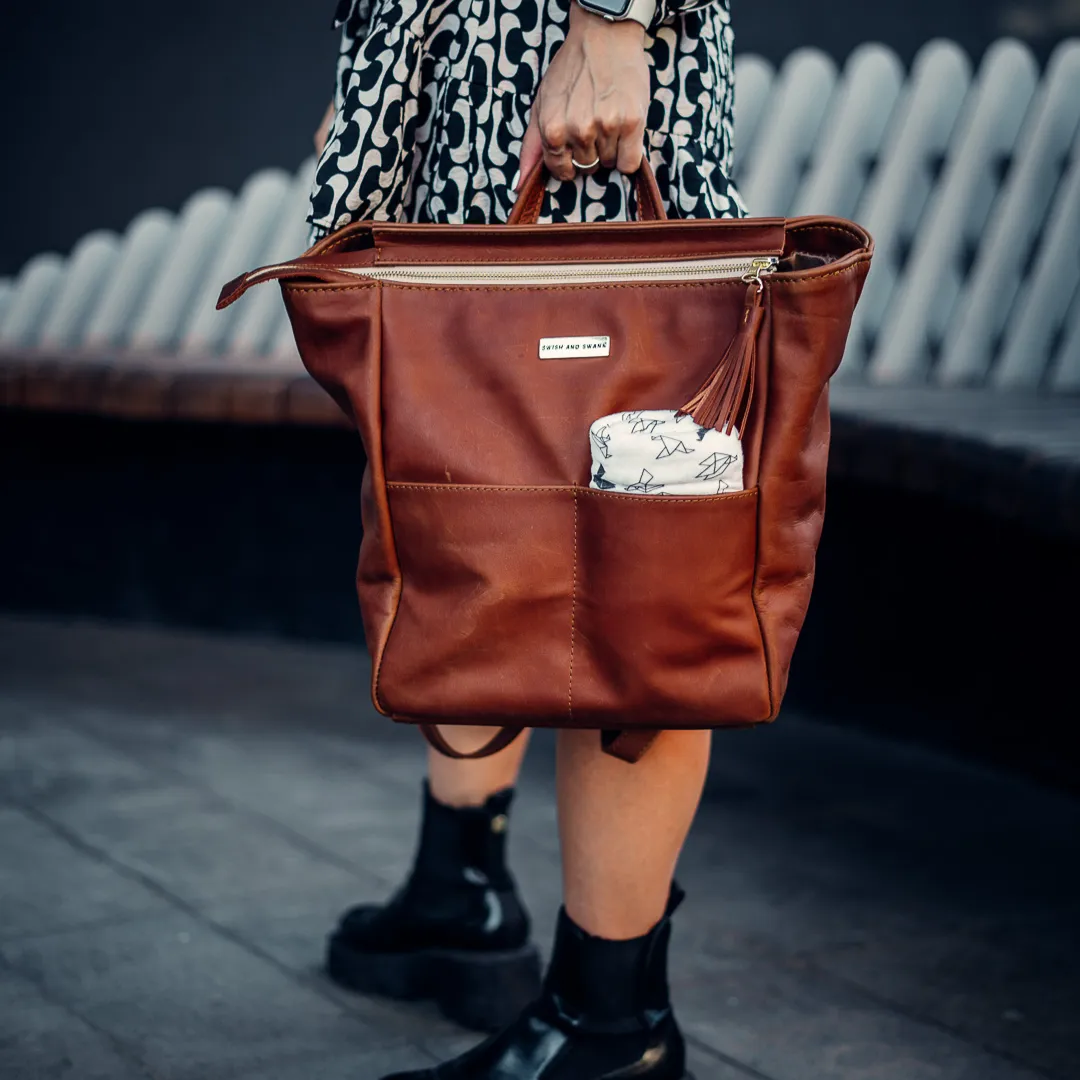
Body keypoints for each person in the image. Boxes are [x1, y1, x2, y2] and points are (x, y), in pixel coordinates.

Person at [307, 0, 746, 1076]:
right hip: (457, 90)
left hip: (586, 79)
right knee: (474, 497)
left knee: (633, 550)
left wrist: (611, 21)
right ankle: (461, 886)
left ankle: (611, 1018)